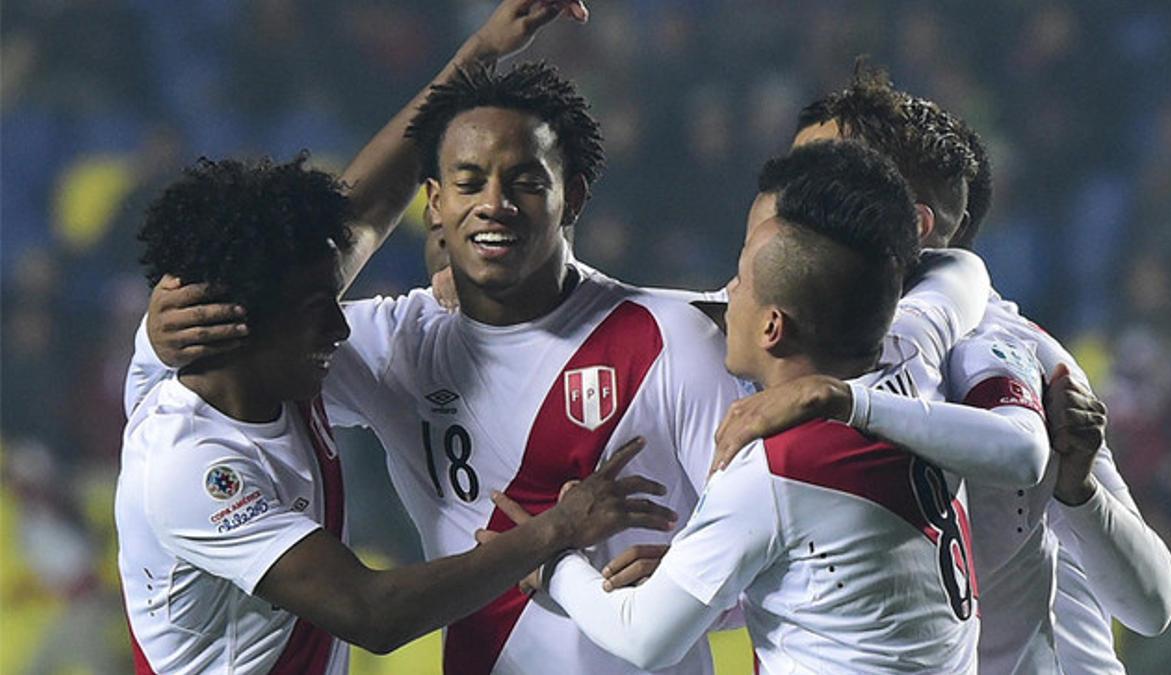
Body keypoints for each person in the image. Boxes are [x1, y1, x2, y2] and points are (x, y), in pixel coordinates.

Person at [125, 31, 745, 675]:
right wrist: (154, 339)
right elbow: (372, 612)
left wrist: (689, 591)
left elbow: (774, 540)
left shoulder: (674, 339)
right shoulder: (380, 349)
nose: (494, 205)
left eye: (526, 181)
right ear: (435, 205)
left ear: (575, 197)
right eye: (469, 181)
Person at [712, 68, 1171, 673]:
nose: (784, 201)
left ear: (915, 224)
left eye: (819, 180)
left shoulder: (1010, 355)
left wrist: (1078, 489)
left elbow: (1151, 605)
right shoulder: (779, 338)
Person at [499, 140, 981, 672]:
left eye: (742, 279)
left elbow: (643, 638)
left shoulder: (772, 469)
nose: (726, 293)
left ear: (773, 326)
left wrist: (553, 564)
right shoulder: (913, 365)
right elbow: (962, 269)